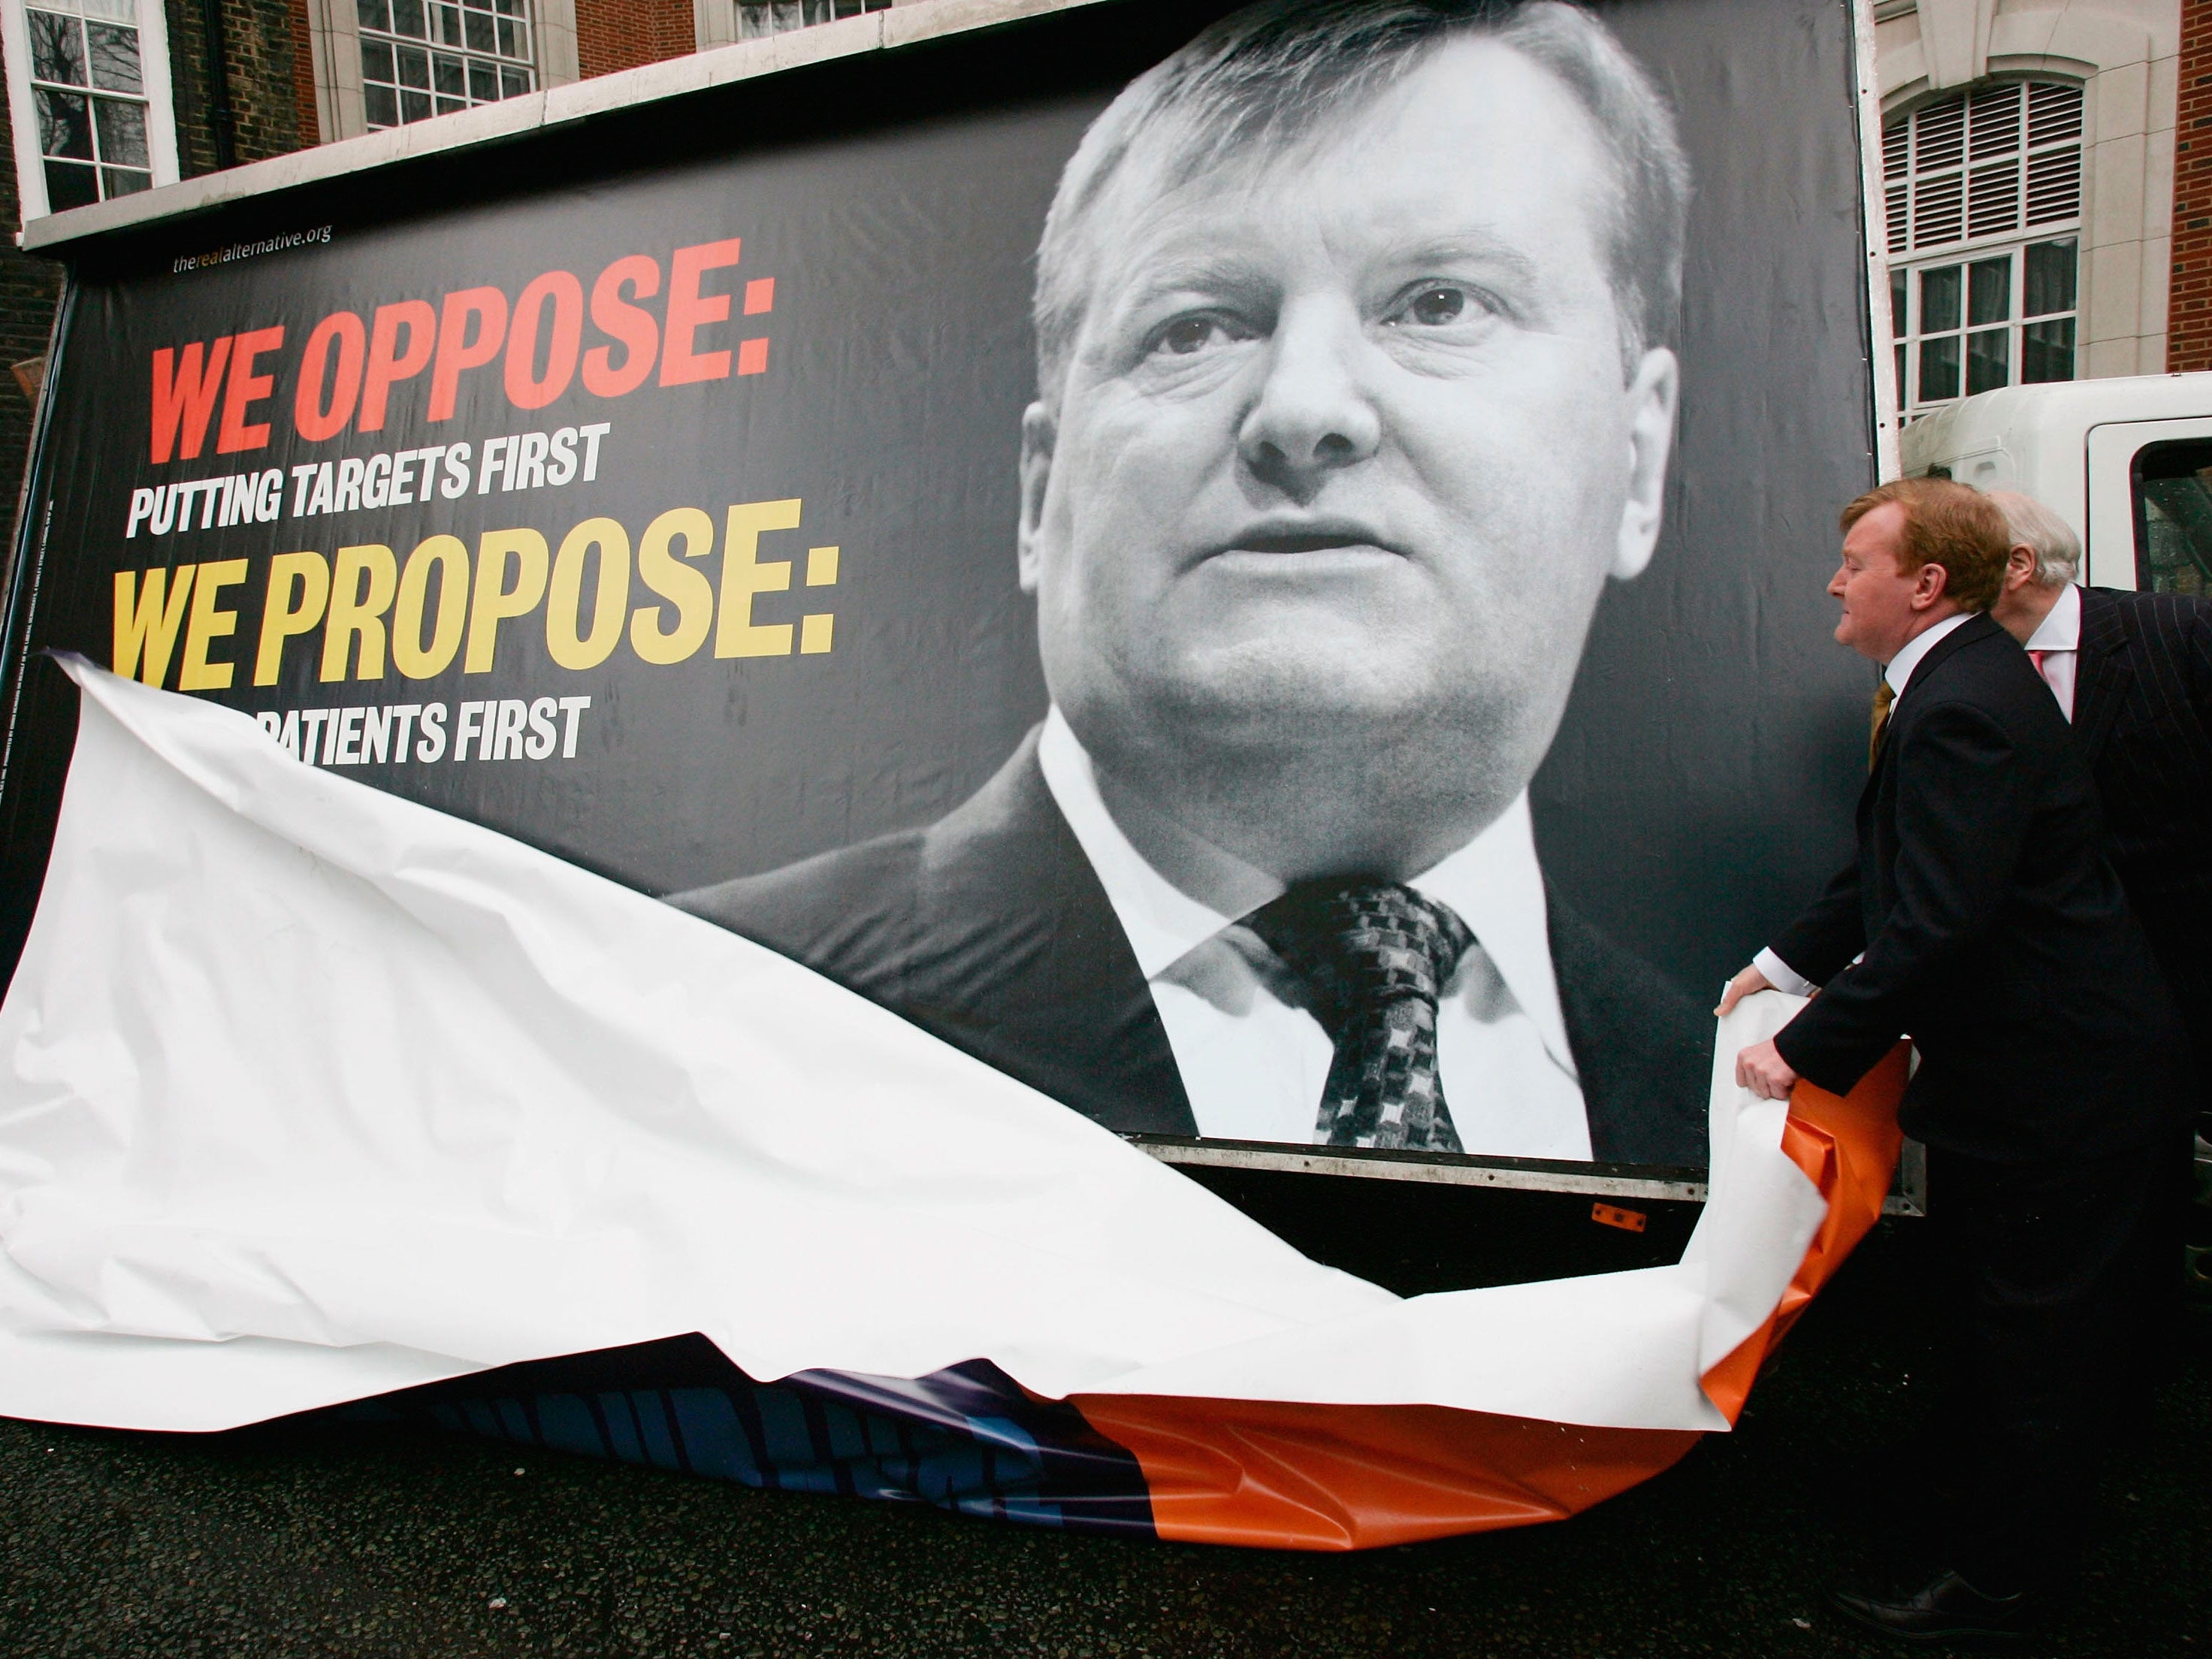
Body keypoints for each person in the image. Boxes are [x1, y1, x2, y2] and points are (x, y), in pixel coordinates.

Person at [674, 0, 1711, 1166]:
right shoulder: (688, 1025)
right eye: (1195, 326)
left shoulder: (1736, 1106)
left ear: (1638, 458)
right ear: (1038, 492)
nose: (1304, 409)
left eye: (1439, 304)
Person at [1718, 478, 2186, 1640]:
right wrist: (1777, 967)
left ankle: (1999, 1587)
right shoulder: (1961, 680)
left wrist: (1806, 1049)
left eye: (1857, 563)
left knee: (2039, 1345)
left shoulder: (1960, 704)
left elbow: (1941, 920)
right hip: (2041, 1080)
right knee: (1994, 1323)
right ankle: (1973, 1518)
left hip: (2063, 1090)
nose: (1835, 582)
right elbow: (1889, 871)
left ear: (1925, 584)